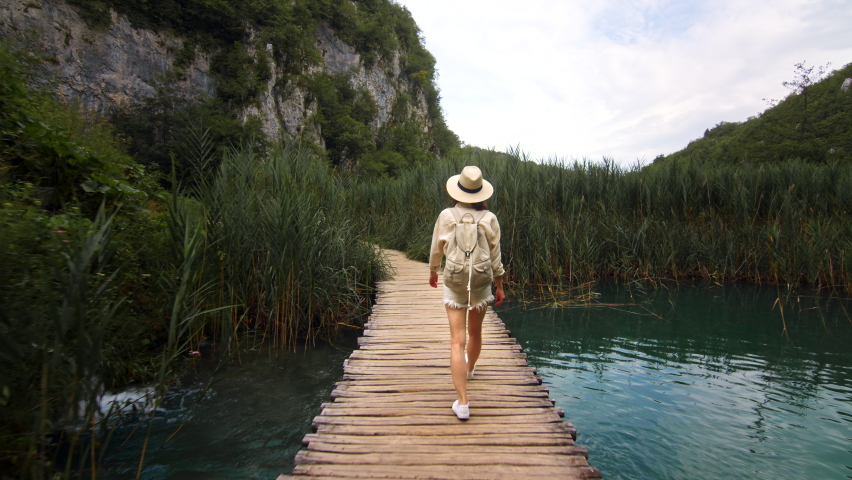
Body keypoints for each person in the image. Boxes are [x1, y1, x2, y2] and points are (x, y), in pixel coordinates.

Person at [428, 165, 506, 420]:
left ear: (458, 190)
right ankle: (470, 368)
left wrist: (433, 271)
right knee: (476, 332)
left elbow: (436, 248)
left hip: (454, 279)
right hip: (482, 282)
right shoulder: (489, 218)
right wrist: (500, 284)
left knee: (456, 341)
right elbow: (495, 255)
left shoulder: (447, 215)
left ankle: (462, 403)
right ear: (481, 192)